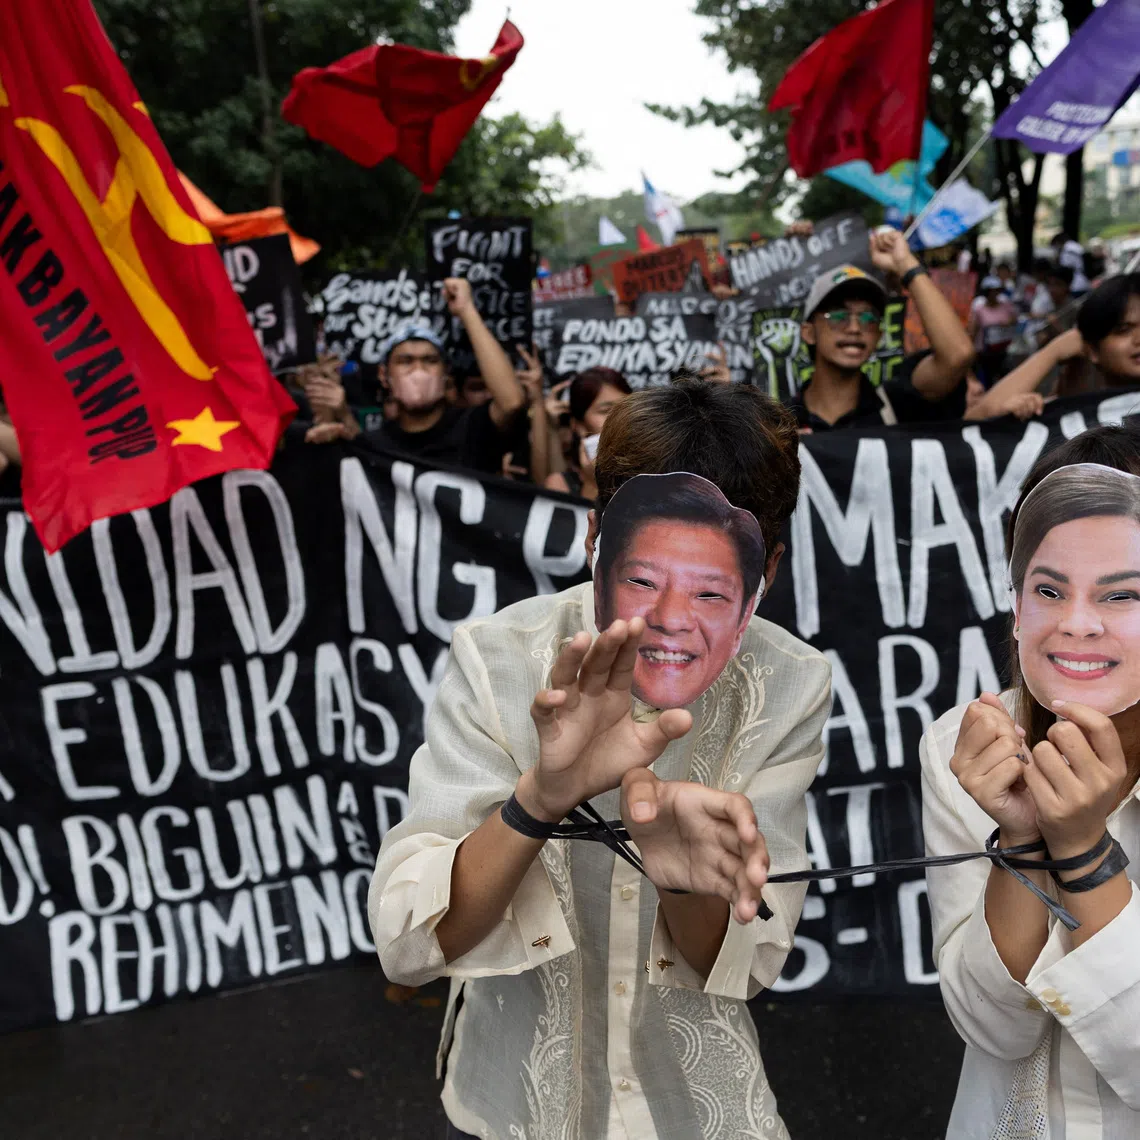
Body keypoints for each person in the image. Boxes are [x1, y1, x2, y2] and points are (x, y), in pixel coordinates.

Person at [369, 375, 832, 1140]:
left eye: (713, 592)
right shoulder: (499, 659)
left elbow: (749, 963)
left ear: (766, 574)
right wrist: (539, 799)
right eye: (642, 576)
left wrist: (688, 881)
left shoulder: (788, 682)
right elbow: (407, 943)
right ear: (596, 539)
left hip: (697, 1106)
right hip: (517, 1099)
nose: (669, 622)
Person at [921, 424, 1140, 1139]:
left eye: (1122, 594)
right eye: (1050, 587)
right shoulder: (965, 744)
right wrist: (1020, 841)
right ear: (1017, 601)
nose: (1076, 625)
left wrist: (1080, 849)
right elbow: (990, 1027)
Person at [305, 278, 525, 473]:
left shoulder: (471, 429)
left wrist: (467, 310)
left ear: (445, 373)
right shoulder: (375, 446)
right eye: (405, 361)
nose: (418, 370)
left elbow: (512, 402)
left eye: (430, 360)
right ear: (384, 375)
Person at [593, 472, 765, 710]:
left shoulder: (802, 689)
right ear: (600, 591)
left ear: (743, 619)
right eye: (643, 583)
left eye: (708, 595)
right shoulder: (526, 660)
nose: (671, 621)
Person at [790, 228, 975, 431]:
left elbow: (957, 356)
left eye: (868, 318)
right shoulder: (775, 425)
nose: (854, 328)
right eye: (838, 317)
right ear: (808, 332)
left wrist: (905, 264)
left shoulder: (896, 405)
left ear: (878, 335)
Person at [964, 274, 1140, 420]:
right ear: (1092, 349)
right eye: (1123, 330)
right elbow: (973, 421)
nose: (1138, 338)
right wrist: (1052, 352)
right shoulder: (1079, 415)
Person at [544, 367, 631, 498]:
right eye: (606, 410)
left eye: (626, 408)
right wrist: (592, 484)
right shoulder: (559, 484)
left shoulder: (652, 473)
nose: (619, 417)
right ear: (579, 426)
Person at [969, 275, 1018, 386]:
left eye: (997, 290)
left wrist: (1007, 323)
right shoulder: (979, 309)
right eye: (992, 291)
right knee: (988, 381)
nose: (995, 293)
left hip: (1004, 350)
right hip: (985, 352)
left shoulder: (1005, 305)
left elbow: (1015, 319)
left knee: (1007, 379)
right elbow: (973, 330)